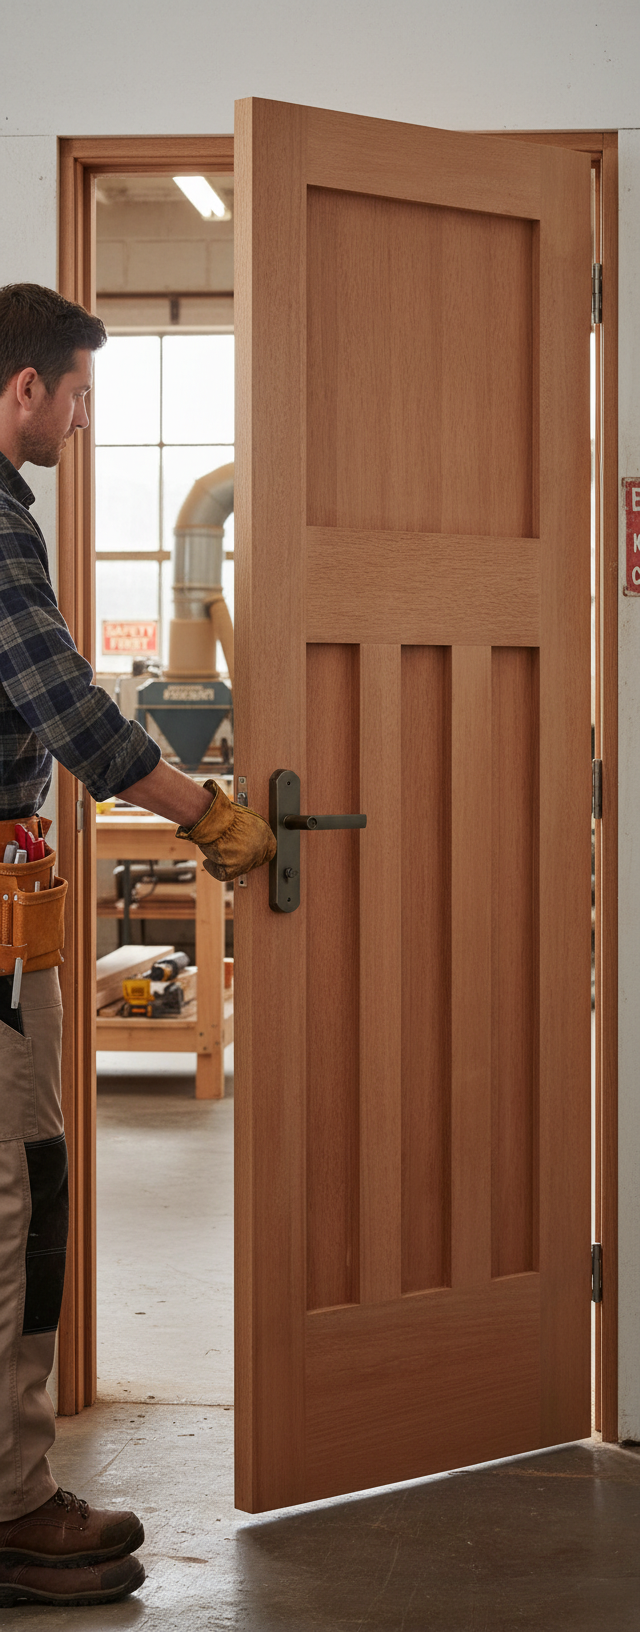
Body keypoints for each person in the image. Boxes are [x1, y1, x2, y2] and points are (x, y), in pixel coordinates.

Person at [0, 284, 274, 1610]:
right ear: (25, 393)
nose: (83, 419)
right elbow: (77, 720)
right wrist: (213, 815)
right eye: (81, 396)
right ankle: (12, 1505)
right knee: (20, 1198)